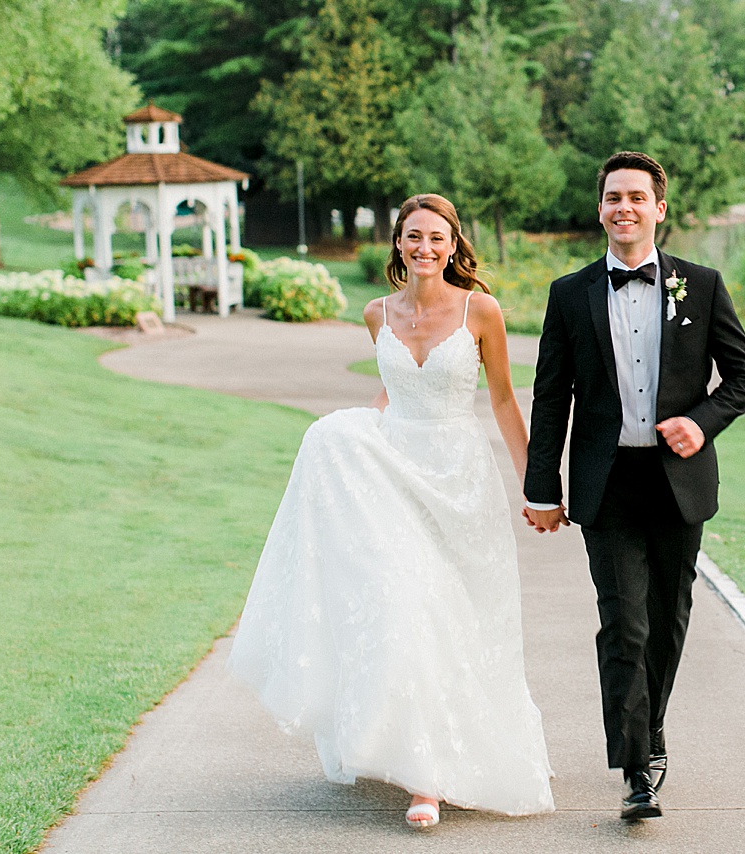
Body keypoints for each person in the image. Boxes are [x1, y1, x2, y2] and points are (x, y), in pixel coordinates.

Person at [228, 193, 554, 830]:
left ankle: (475, 751)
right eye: (413, 237)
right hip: (391, 475)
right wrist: (347, 434)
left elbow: (505, 404)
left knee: (463, 621)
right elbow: (390, 390)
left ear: (454, 244)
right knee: (405, 607)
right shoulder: (377, 314)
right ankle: (423, 777)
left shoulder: (480, 310)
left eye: (437, 237)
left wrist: (537, 487)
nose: (424, 247)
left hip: (459, 481)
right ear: (398, 244)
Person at [523, 152, 745, 821]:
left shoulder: (702, 285)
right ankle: (637, 768)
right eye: (611, 197)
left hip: (677, 482)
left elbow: (744, 376)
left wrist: (702, 423)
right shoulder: (569, 294)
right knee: (623, 623)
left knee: (666, 620)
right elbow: (550, 398)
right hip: (606, 483)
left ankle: (650, 723)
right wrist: (543, 486)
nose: (622, 207)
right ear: (599, 209)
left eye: (635, 197)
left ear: (659, 207)